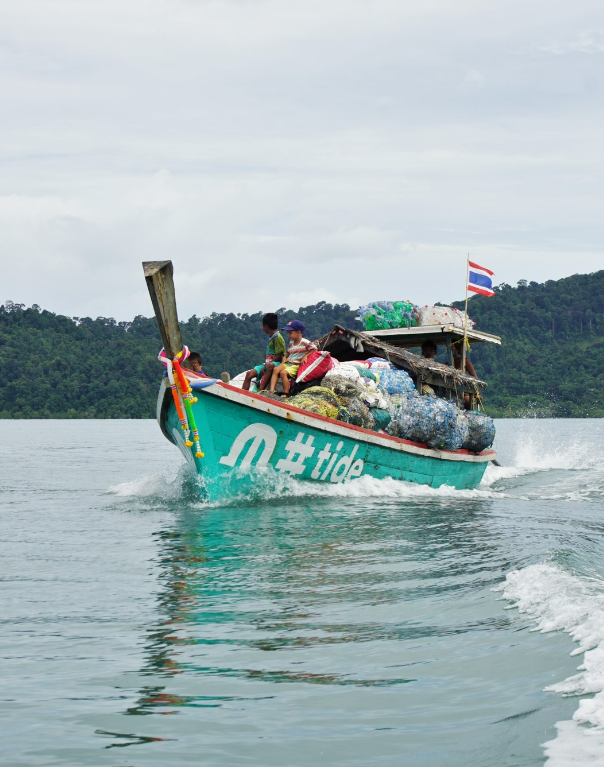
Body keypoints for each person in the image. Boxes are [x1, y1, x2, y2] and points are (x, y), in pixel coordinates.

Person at [269, 320, 317, 395]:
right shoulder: (291, 343)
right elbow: (288, 353)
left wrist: (305, 356)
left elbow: (314, 348)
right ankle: (271, 391)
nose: (288, 335)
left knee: (283, 373)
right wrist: (284, 358)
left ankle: (286, 393)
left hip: (296, 365)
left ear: (298, 333)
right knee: (275, 369)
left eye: (290, 333)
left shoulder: (304, 342)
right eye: (288, 333)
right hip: (288, 363)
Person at [243, 313, 286, 391]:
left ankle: (261, 390)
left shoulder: (277, 338)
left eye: (262, 325)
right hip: (268, 363)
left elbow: (278, 356)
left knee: (270, 366)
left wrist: (266, 366)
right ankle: (242, 393)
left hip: (276, 363)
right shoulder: (270, 337)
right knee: (249, 374)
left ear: (266, 326)